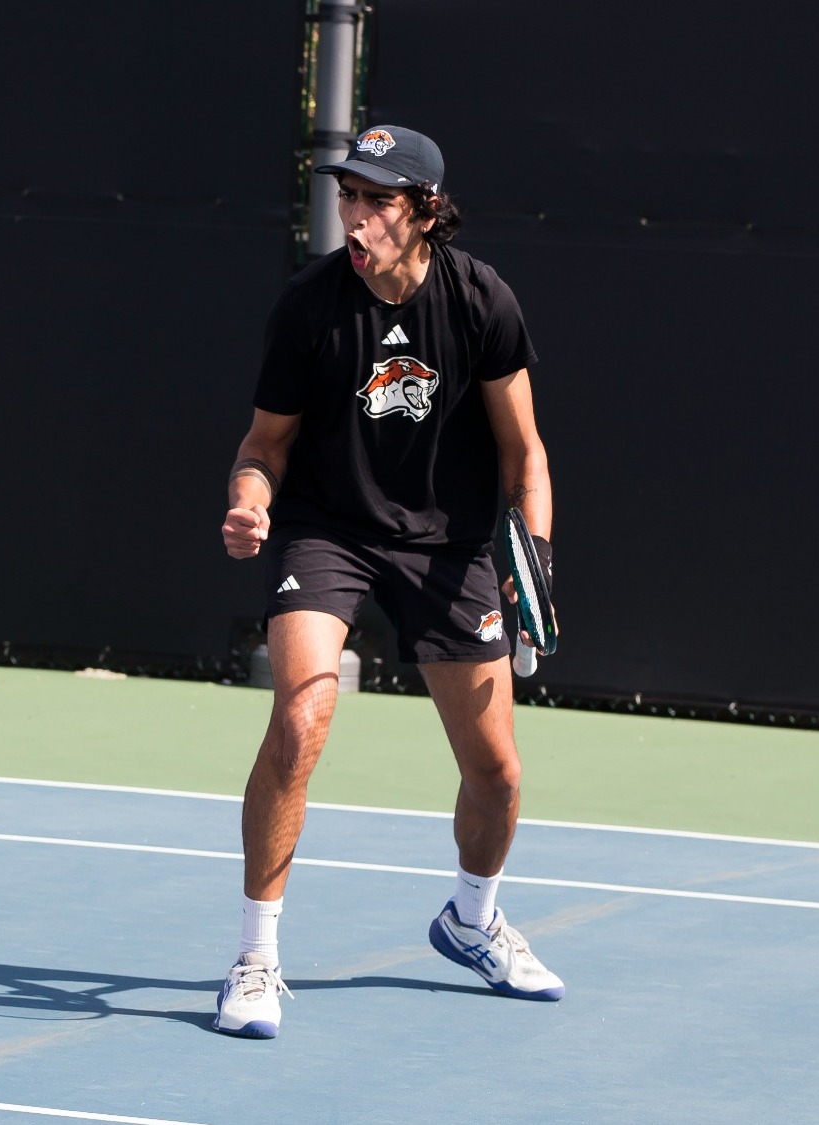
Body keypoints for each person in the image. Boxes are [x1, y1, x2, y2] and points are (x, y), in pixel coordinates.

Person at [213, 124, 562, 1039]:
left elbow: (527, 454)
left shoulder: (480, 299)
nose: (356, 217)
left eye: (377, 201)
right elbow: (264, 446)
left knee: (498, 775)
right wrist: (251, 499)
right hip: (327, 529)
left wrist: (536, 563)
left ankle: (473, 919)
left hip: (448, 547)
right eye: (348, 196)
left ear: (425, 213)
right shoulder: (309, 308)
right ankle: (255, 956)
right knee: (301, 714)